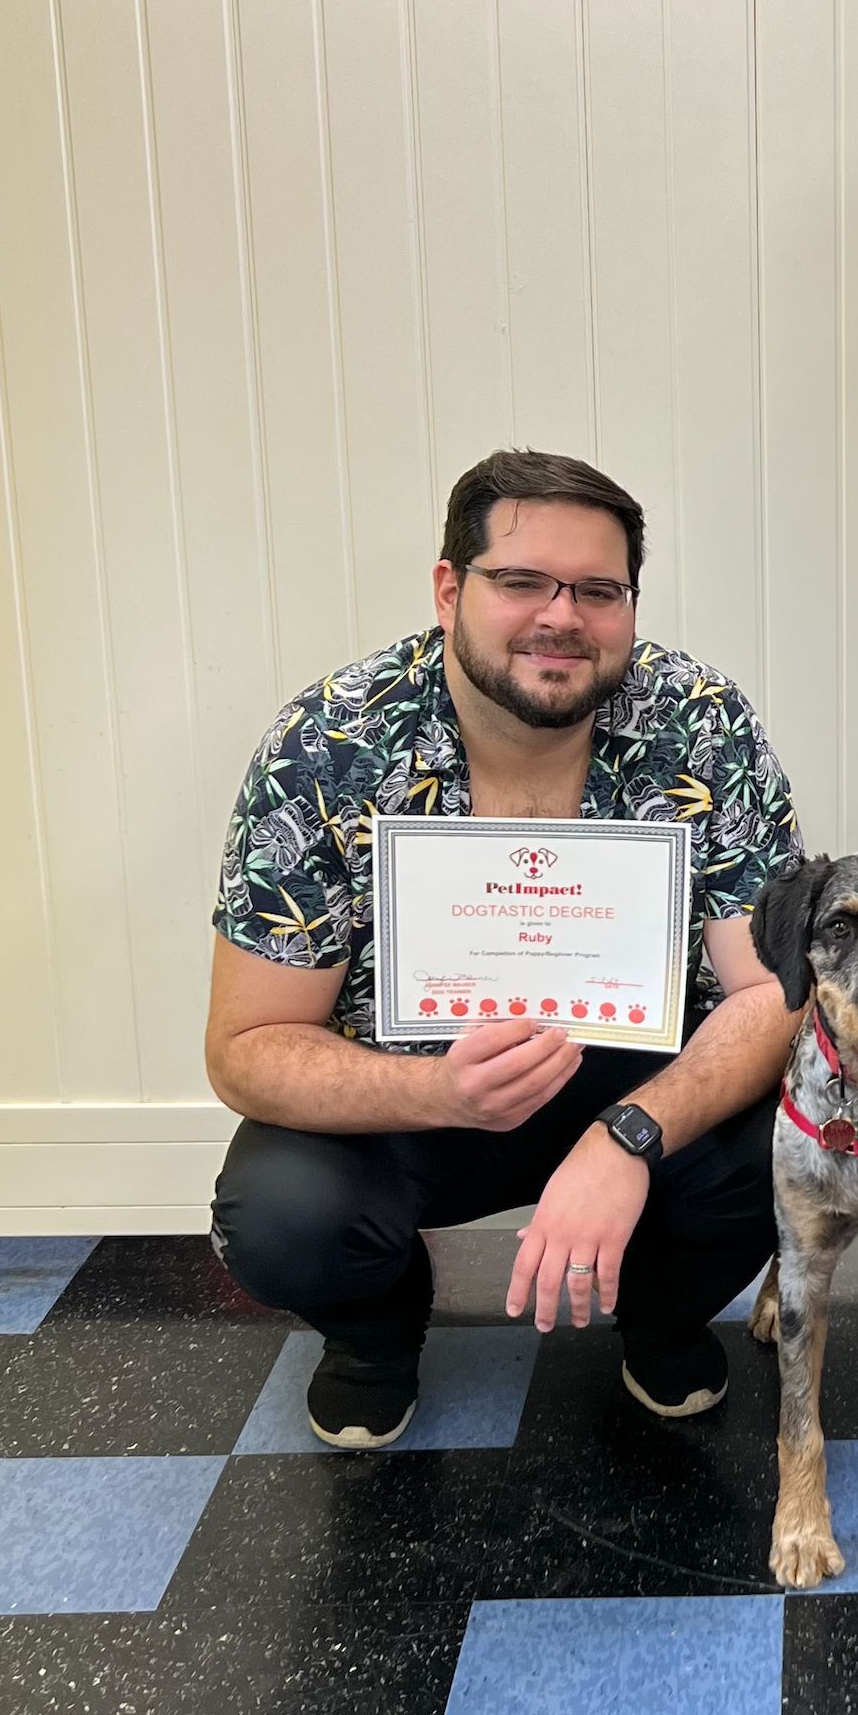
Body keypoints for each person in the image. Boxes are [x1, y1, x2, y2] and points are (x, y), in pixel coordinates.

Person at [205, 449, 803, 1448]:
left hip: (641, 1077)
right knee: (277, 1211)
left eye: (598, 591)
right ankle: (373, 1333)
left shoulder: (699, 722)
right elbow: (248, 1043)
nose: (561, 615)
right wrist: (441, 1096)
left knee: (789, 1138)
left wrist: (631, 1136)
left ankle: (661, 1318)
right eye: (522, 581)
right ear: (450, 589)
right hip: (411, 1086)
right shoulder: (328, 743)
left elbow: (774, 994)